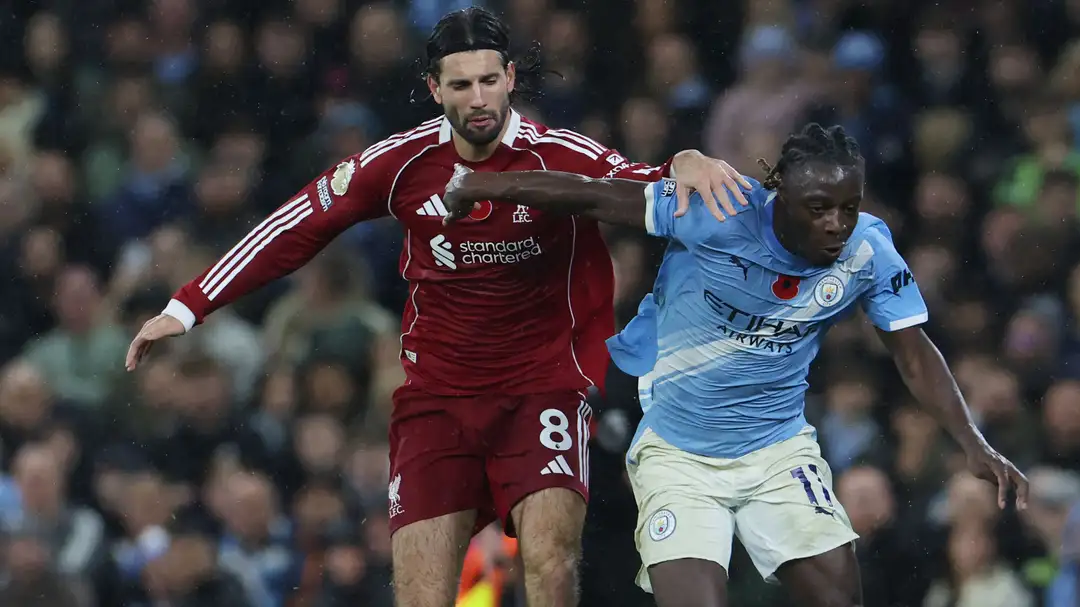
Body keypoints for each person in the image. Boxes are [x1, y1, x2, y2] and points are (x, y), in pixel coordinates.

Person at [123, 7, 748, 607]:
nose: (478, 98)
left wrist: (684, 161)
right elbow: (301, 221)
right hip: (438, 398)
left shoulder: (558, 156)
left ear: (509, 77)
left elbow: (646, 186)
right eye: (461, 85)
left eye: (488, 80)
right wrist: (188, 305)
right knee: (422, 591)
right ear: (434, 88)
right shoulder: (403, 162)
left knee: (550, 560)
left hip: (542, 389)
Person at [440, 122, 1030, 607]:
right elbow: (593, 195)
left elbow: (913, 352)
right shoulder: (716, 211)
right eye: (818, 208)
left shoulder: (867, 251)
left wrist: (972, 442)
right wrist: (483, 184)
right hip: (677, 454)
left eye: (849, 207)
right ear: (780, 195)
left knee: (839, 598)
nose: (836, 224)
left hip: (777, 451)